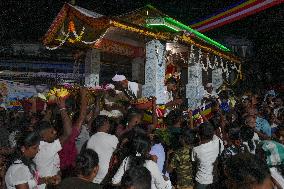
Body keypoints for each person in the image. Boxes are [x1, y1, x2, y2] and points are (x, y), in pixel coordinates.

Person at [33, 97, 73, 189]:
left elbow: (56, 167)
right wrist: (62, 108)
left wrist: (58, 174)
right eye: (51, 132)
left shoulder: (45, 144)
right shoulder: (45, 149)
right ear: (43, 137)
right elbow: (68, 132)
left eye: (53, 130)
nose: (55, 132)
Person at [87, 115, 119, 184]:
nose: (109, 125)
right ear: (105, 124)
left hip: (90, 175)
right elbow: (118, 152)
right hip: (104, 178)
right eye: (108, 123)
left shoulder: (91, 138)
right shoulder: (112, 138)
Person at [192, 122, 223, 189]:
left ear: (199, 135)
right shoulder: (218, 141)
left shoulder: (196, 149)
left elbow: (194, 161)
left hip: (201, 182)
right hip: (215, 180)